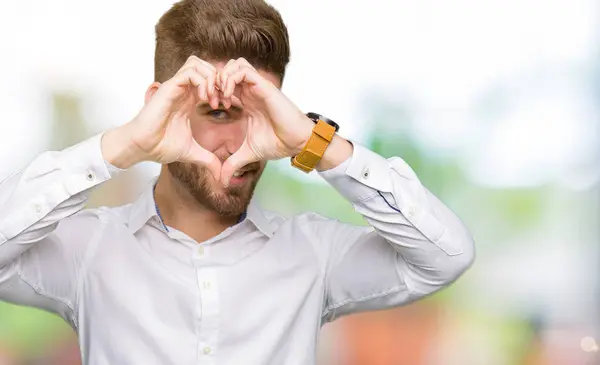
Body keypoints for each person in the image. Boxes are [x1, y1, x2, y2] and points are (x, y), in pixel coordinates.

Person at [0, 0, 475, 364]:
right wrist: (125, 144)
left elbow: (445, 255)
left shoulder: (315, 253)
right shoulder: (88, 250)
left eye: (265, 112)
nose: (245, 141)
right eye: (220, 112)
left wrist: (315, 142)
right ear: (159, 106)